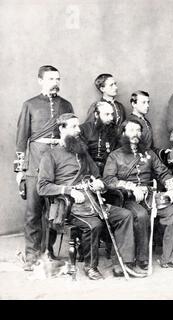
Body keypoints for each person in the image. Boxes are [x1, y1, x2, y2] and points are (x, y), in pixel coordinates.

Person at [37, 113, 145, 280]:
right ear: (61, 129)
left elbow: (97, 176)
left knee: (125, 215)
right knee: (94, 224)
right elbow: (42, 187)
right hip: (68, 206)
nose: (78, 130)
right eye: (73, 127)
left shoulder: (82, 152)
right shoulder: (50, 155)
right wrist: (69, 191)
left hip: (92, 201)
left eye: (78, 126)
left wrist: (99, 184)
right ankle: (90, 267)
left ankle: (123, 264)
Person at [103, 120, 173, 271]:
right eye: (131, 130)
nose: (135, 134)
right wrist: (130, 187)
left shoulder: (149, 154)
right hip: (127, 198)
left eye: (138, 130)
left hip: (149, 196)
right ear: (123, 133)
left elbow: (164, 173)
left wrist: (171, 188)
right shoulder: (114, 156)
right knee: (141, 215)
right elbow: (109, 180)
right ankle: (141, 258)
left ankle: (169, 257)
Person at [15, 65, 74, 270]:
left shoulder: (66, 105)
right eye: (50, 79)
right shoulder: (30, 105)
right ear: (40, 80)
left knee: (56, 209)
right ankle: (32, 255)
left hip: (58, 162)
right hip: (36, 161)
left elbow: (71, 136)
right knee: (33, 210)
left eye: (57, 79)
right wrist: (20, 170)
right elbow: (22, 138)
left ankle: (48, 252)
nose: (55, 82)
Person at [80, 101, 119, 175]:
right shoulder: (83, 129)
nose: (111, 118)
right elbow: (82, 154)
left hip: (108, 168)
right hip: (87, 169)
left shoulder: (114, 131)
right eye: (107, 114)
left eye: (112, 114)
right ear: (96, 114)